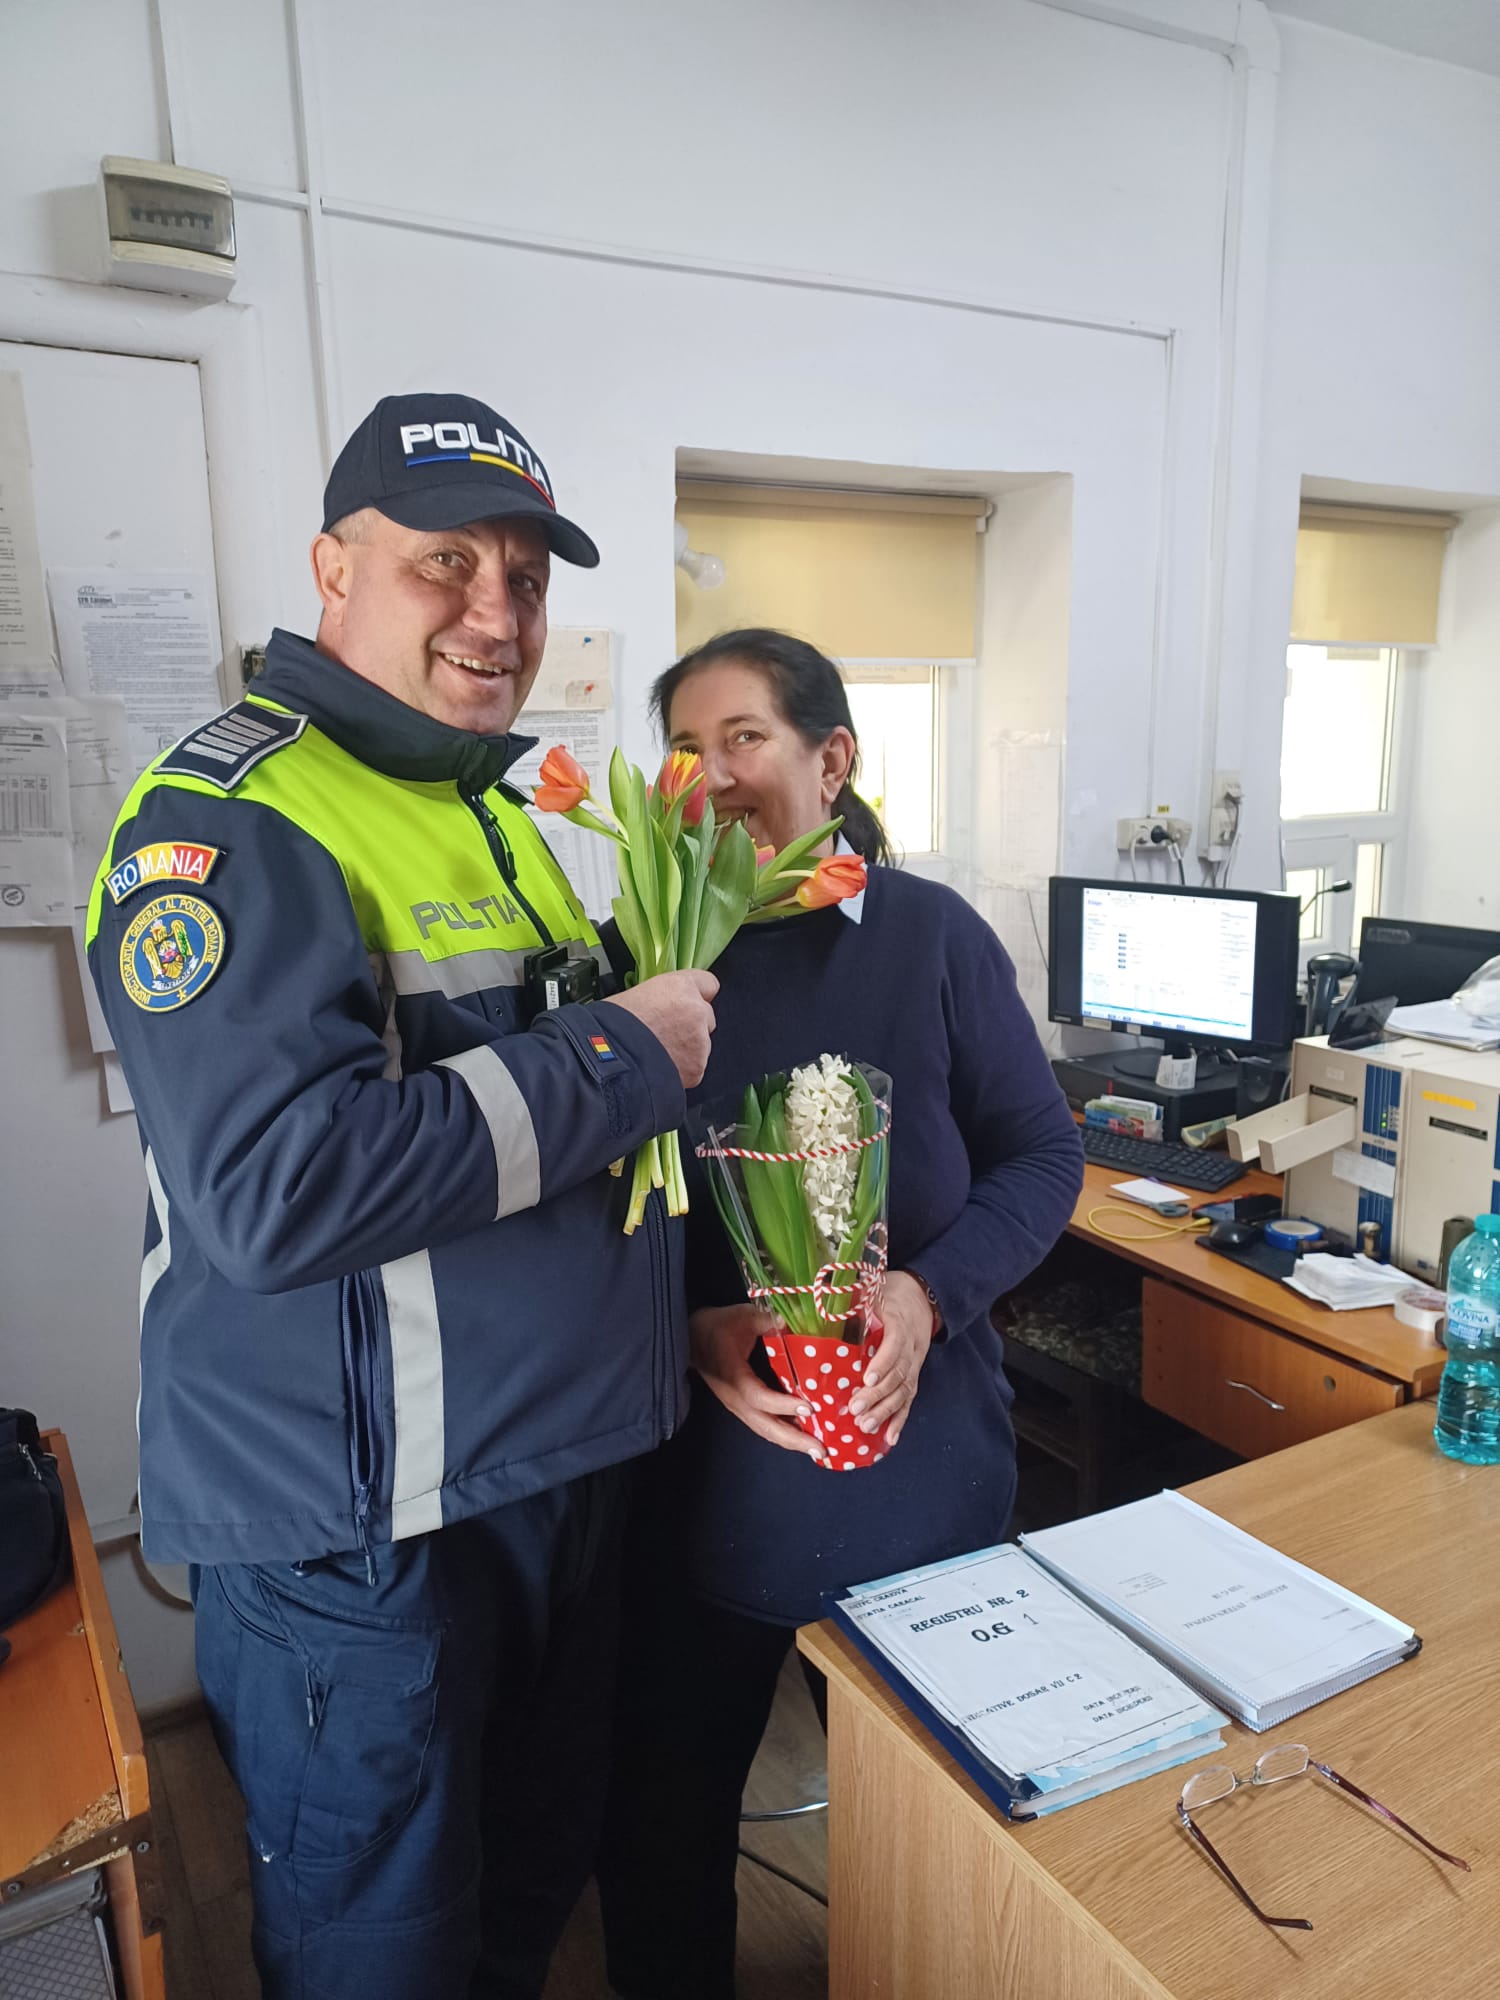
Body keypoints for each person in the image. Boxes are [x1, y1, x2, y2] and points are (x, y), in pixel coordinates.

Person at [85, 393, 718, 2000]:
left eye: (527, 577)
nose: (497, 613)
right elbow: (277, 1192)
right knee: (383, 1959)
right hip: (366, 1539)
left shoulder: (491, 806)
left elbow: (530, 1147)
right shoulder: (230, 817)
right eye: (449, 562)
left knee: (519, 1912)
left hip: (544, 1482)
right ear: (334, 568)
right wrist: (620, 1056)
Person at [597, 628, 1085, 2000]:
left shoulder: (931, 939)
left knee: (933, 1843)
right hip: (697, 1486)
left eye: (743, 737)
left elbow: (1044, 1158)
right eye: (683, 748)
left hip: (915, 1484)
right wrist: (692, 1331)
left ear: (833, 760)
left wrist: (928, 1296)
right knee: (662, 1825)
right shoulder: (642, 960)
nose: (710, 775)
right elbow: (595, 1218)